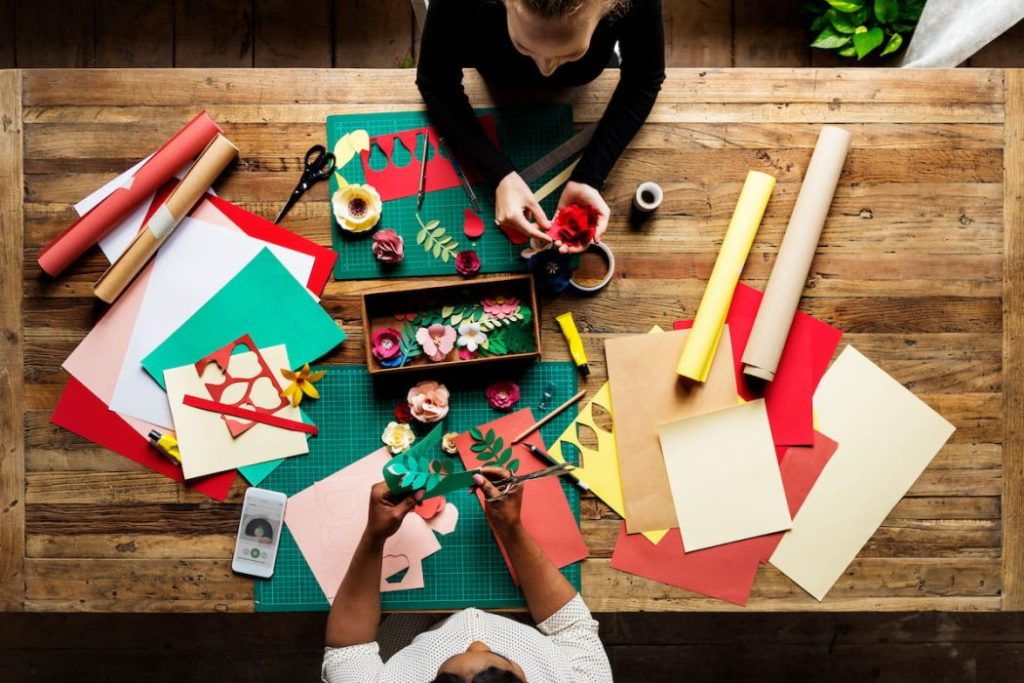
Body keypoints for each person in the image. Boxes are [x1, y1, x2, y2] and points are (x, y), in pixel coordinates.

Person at [416, 0, 665, 253]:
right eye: (523, 46)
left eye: (571, 53)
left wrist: (591, 176)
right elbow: (436, 80)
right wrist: (497, 172)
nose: (545, 70)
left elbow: (643, 80)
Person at [321, 468, 612, 682]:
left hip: (411, 632)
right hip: (521, 618)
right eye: (498, 655)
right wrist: (510, 529)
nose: (477, 643)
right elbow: (570, 627)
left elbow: (348, 649)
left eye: (445, 666)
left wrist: (374, 536)